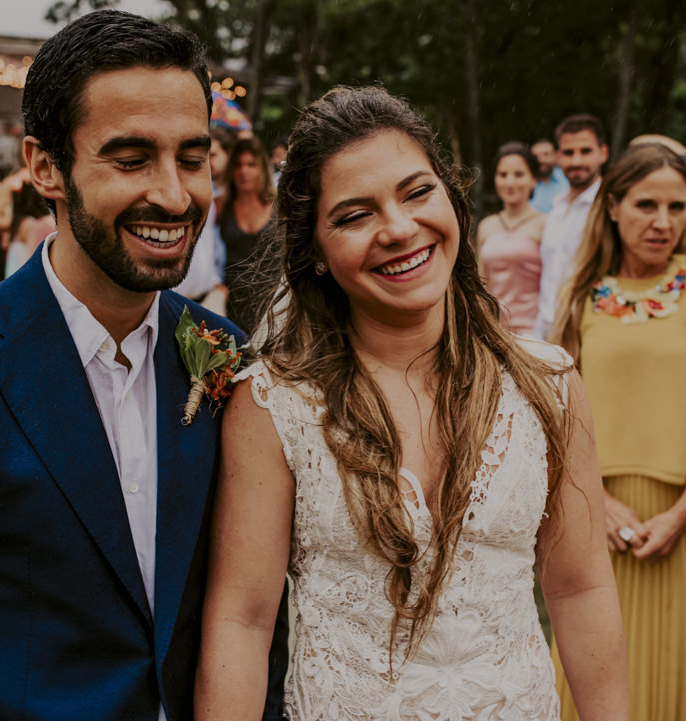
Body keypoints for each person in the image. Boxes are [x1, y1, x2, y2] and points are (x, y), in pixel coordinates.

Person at [0, 10, 285, 721]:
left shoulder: (230, 360)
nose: (174, 193)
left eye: (192, 157)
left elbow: (257, 614)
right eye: (130, 159)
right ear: (44, 166)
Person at [196, 85, 629, 721]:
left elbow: (580, 587)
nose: (399, 230)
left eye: (417, 192)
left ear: (452, 197)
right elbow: (243, 619)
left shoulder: (548, 384)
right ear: (313, 249)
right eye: (353, 216)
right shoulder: (274, 405)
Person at [549, 143, 686, 721]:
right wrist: (600, 502)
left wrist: (680, 514)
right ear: (612, 206)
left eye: (677, 206)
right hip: (598, 513)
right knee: (587, 676)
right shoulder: (582, 296)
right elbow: (560, 411)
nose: (663, 222)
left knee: (676, 672)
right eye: (645, 205)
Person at [534, 115, 609, 339]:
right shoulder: (556, 208)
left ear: (603, 153)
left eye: (585, 151)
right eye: (568, 153)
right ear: (558, 157)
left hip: (589, 331)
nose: (576, 161)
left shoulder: (609, 207)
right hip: (548, 330)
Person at [477, 142, 546, 335]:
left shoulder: (546, 224)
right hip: (494, 330)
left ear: (533, 180)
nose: (510, 182)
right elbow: (482, 283)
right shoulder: (486, 225)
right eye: (503, 175)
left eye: (518, 174)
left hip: (536, 331)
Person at [219, 136, 275, 332]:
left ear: (262, 168)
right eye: (238, 165)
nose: (244, 171)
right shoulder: (221, 207)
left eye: (251, 164)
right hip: (236, 303)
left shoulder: (279, 206)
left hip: (273, 302)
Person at [530, 138, 569, 214]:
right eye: (536, 156)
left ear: (556, 156)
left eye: (546, 154)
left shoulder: (568, 178)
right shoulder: (523, 183)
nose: (541, 160)